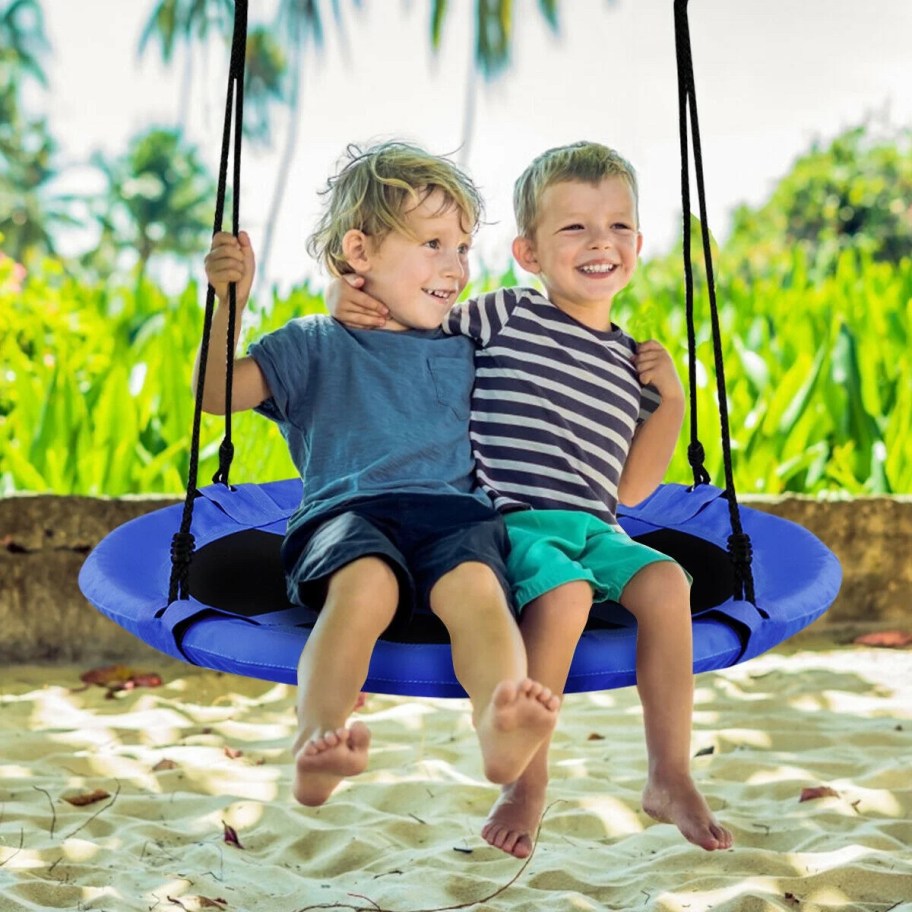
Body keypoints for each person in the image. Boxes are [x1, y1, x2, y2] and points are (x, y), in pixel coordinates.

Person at [329, 141, 734, 855]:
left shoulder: (631, 362)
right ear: (529, 252)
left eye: (617, 226)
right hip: (512, 521)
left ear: (638, 244)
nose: (600, 242)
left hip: (597, 526)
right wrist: (344, 298)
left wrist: (671, 399)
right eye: (575, 227)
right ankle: (527, 782)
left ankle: (669, 773)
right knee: (567, 594)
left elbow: (633, 488)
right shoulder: (509, 313)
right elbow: (412, 322)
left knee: (668, 582)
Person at [195, 141, 560, 809]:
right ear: (359, 252)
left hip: (454, 517)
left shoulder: (467, 344)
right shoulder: (314, 342)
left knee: (479, 589)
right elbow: (216, 394)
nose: (455, 267)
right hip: (348, 517)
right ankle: (318, 740)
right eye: (433, 244)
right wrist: (231, 304)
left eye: (462, 248)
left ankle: (499, 724)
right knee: (364, 586)